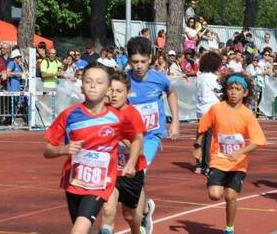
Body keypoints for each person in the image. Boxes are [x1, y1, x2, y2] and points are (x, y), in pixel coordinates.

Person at [43, 64, 142, 234]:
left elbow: (136, 139)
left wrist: (131, 163)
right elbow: (48, 150)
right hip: (74, 182)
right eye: (88, 81)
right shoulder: (69, 115)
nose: (93, 85)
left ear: (108, 90)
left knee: (78, 230)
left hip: (100, 183)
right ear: (82, 87)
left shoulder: (117, 118)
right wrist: (63, 149)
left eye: (99, 82)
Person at [192, 73, 267, 234]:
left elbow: (258, 141)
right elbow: (203, 126)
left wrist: (241, 151)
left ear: (245, 93)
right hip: (218, 160)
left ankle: (229, 228)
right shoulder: (216, 109)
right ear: (226, 90)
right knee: (214, 195)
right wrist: (197, 145)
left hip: (238, 163)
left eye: (238, 89)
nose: (233, 92)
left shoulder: (247, 114)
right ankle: (219, 183)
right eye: (230, 88)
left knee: (230, 195)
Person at [126, 36, 180, 233]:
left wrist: (174, 120)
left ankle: (139, 222)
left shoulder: (159, 79)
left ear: (150, 58)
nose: (139, 66)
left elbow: (172, 93)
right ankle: (147, 208)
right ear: (128, 60)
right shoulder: (124, 81)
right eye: (134, 62)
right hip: (129, 138)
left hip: (151, 136)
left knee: (139, 172)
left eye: (143, 61)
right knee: (133, 177)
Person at [99, 71, 147, 234]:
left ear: (127, 93)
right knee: (107, 212)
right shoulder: (103, 111)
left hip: (131, 173)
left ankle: (138, 230)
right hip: (110, 172)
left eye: (119, 91)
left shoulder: (133, 115)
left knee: (129, 215)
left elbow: (139, 149)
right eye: (111, 90)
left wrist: (122, 137)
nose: (114, 95)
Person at [194, 51, 223, 175]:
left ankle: (200, 164)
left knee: (201, 137)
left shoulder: (200, 77)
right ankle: (207, 165)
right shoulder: (212, 77)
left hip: (201, 110)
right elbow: (219, 92)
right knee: (209, 139)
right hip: (211, 110)